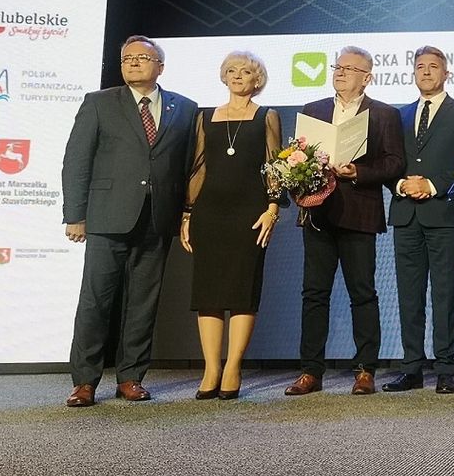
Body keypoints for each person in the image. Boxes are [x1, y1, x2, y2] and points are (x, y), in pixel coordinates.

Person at [62, 35, 198, 407]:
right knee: (96, 301)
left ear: (161, 67)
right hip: (107, 217)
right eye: (127, 58)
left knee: (144, 302)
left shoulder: (184, 108)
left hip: (157, 219)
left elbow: (188, 166)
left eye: (142, 57)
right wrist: (75, 215)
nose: (134, 63)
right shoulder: (99, 102)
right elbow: (76, 160)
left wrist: (186, 212)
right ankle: (85, 381)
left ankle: (131, 377)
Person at [283, 47, 406, 397]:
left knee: (362, 293)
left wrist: (359, 171)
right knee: (314, 294)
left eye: (349, 68)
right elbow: (296, 158)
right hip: (318, 214)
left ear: (366, 77)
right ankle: (310, 371)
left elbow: (394, 163)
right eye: (338, 66)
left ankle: (365, 369)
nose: (340, 72)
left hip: (359, 212)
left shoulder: (383, 114)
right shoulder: (313, 110)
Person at [180, 51, 281, 400]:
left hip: (250, 214)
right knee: (208, 294)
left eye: (246, 72)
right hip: (210, 212)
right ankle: (211, 369)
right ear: (224, 77)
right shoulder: (205, 116)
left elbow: (275, 168)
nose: (238, 76)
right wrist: (188, 213)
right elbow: (198, 167)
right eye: (232, 71)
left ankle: (233, 366)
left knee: (242, 293)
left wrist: (273, 208)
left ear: (258, 80)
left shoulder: (267, 116)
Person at [383, 46, 454, 394]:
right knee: (409, 295)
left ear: (446, 73)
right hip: (405, 214)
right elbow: (388, 163)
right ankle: (411, 368)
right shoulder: (399, 115)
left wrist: (433, 185)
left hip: (444, 215)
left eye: (433, 67)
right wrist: (400, 183)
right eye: (420, 66)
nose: (426, 72)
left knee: (444, 293)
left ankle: (445, 370)